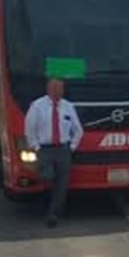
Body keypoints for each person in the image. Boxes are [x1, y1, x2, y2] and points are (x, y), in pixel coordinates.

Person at [24, 76, 83, 227]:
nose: (58, 91)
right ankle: (45, 202)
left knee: (62, 185)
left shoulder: (68, 106)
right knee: (48, 176)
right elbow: (29, 129)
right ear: (48, 89)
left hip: (63, 149)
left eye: (60, 89)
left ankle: (53, 214)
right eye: (55, 88)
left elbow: (78, 130)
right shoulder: (37, 106)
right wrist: (36, 147)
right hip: (45, 150)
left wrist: (72, 147)